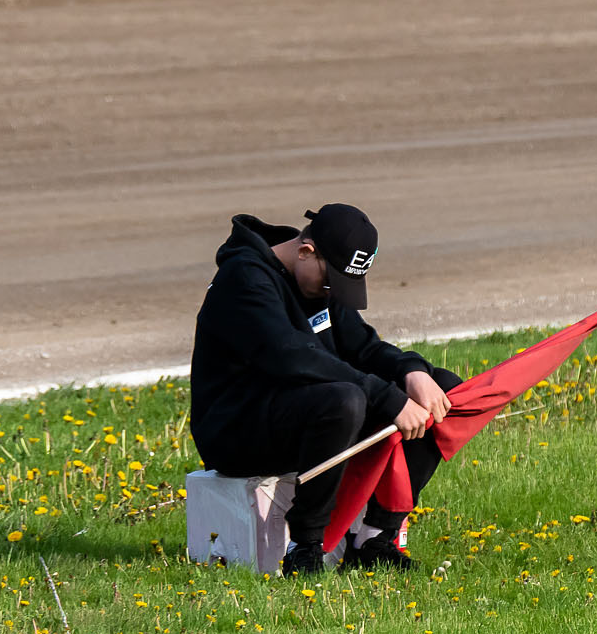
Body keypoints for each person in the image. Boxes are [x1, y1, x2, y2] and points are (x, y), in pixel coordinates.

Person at [190, 205, 460, 576]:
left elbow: (363, 349)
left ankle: (375, 537)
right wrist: (388, 398)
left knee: (443, 388)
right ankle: (305, 547)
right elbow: (293, 358)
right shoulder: (243, 279)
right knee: (344, 400)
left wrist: (411, 371)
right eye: (331, 282)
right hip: (235, 428)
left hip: (297, 412)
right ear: (306, 252)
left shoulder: (318, 282)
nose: (333, 292)